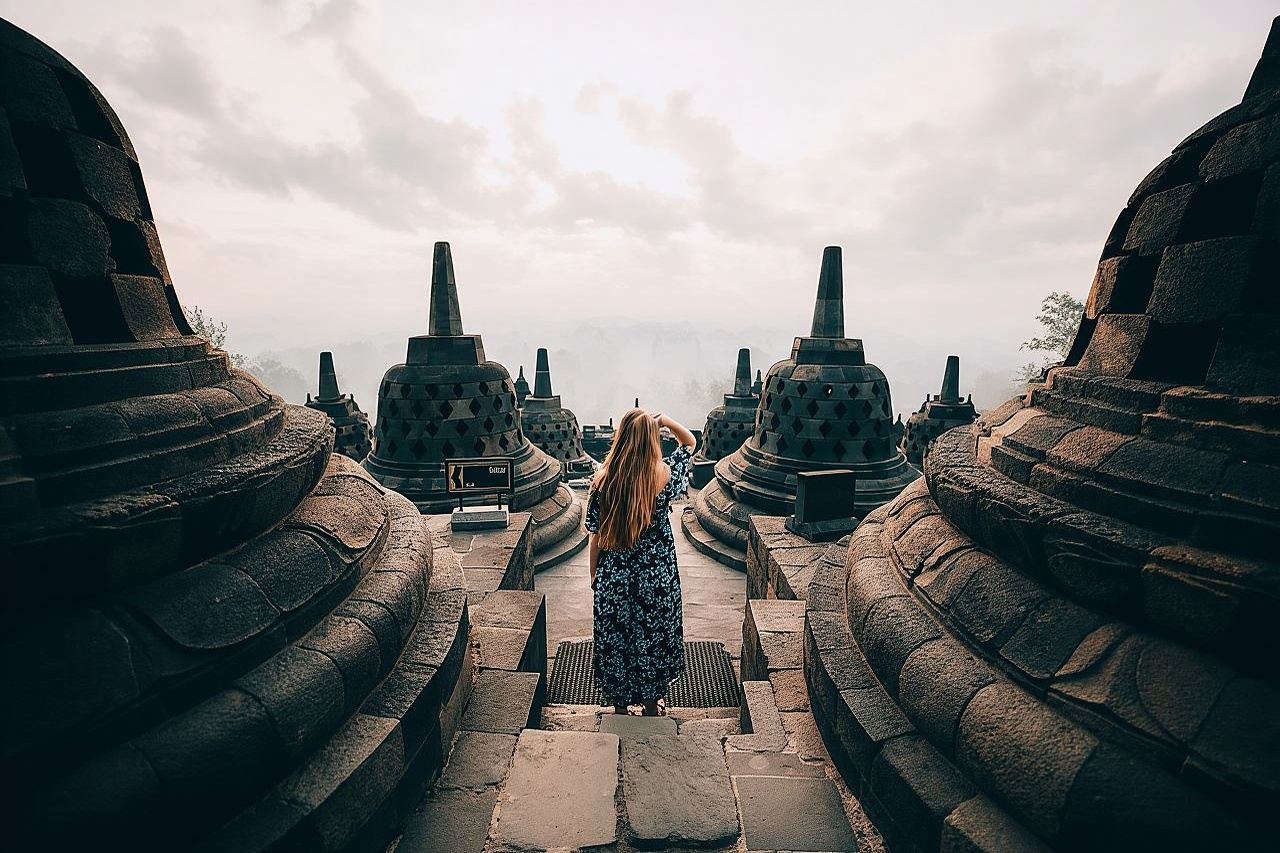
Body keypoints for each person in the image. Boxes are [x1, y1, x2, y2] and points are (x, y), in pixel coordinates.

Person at [585, 407, 697, 716]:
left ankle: (620, 708)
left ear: (620, 437)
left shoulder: (603, 480)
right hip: (656, 577)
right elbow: (689, 444)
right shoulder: (662, 474)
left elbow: (595, 536)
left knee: (616, 641)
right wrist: (663, 421)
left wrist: (595, 575)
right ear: (651, 440)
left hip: (615, 577)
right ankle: (650, 706)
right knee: (653, 639)